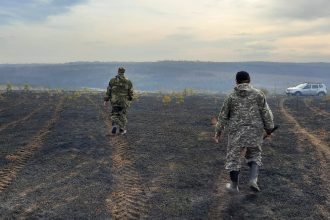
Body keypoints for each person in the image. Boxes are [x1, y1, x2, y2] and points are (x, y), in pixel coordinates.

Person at [214, 71, 274, 192]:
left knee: (233, 158)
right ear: (249, 80)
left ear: (236, 81)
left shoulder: (231, 97)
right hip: (255, 132)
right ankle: (253, 180)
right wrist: (269, 129)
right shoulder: (259, 95)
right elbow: (266, 113)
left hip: (236, 133)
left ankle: (234, 186)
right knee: (255, 154)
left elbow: (223, 117)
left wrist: (218, 132)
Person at [104, 67, 133, 135]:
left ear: (118, 71)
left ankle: (114, 126)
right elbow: (130, 92)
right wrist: (130, 99)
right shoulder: (128, 81)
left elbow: (109, 91)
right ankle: (121, 129)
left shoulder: (112, 80)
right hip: (124, 101)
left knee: (114, 113)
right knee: (122, 114)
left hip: (115, 101)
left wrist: (106, 100)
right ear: (124, 72)